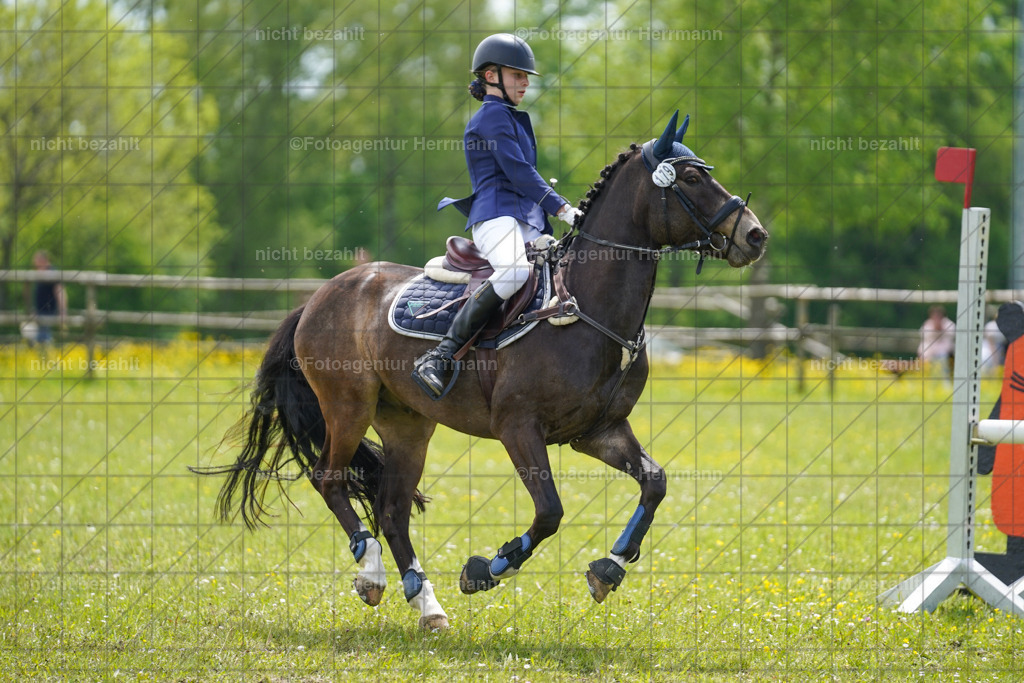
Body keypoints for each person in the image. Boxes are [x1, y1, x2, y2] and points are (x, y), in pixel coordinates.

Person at [412, 33, 581, 398]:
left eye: (526, 76)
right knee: (517, 270)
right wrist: (563, 207)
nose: (525, 82)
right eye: (517, 74)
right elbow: (519, 172)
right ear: (491, 76)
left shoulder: (511, 117)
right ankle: (439, 357)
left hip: (527, 221)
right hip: (495, 219)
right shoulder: (490, 118)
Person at [30, 250, 66, 344]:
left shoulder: (52, 273)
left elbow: (60, 292)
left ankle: (45, 354)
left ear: (43, 261)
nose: (36, 266)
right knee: (40, 335)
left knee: (43, 338)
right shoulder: (40, 274)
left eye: (37, 263)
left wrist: (62, 311)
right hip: (40, 311)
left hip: (48, 311)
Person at [918, 305, 955, 382]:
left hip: (946, 355)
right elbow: (925, 339)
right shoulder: (927, 325)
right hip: (930, 354)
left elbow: (951, 339)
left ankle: (945, 382)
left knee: (942, 357)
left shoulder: (949, 325)